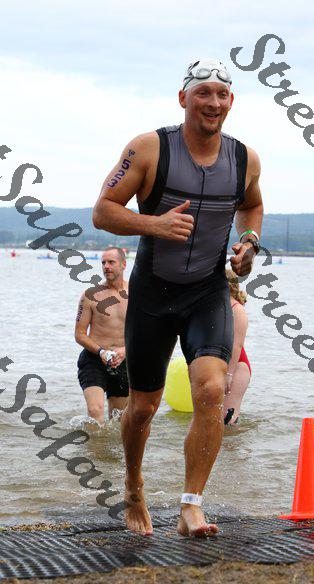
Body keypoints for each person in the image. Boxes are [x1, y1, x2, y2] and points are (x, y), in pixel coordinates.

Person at [93, 58, 264, 537]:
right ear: (183, 98)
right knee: (142, 407)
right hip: (153, 292)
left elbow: (252, 205)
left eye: (222, 94)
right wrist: (155, 224)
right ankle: (134, 486)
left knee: (210, 389)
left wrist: (250, 244)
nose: (213, 102)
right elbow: (102, 211)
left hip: (207, 291)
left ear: (231, 102)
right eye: (203, 92)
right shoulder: (150, 148)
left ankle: (191, 507)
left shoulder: (245, 159)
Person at [75, 247, 129, 425]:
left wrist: (125, 351)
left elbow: (146, 332)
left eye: (111, 262)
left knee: (118, 419)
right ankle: (93, 444)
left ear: (123, 264)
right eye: (103, 263)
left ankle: (110, 445)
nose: (106, 266)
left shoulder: (137, 294)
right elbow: (79, 334)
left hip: (123, 361)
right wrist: (101, 352)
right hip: (94, 359)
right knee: (95, 411)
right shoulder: (90, 295)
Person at [223, 269, 251, 426]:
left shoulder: (237, 310)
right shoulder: (214, 307)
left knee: (227, 421)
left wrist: (229, 374)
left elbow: (237, 345)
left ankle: (236, 442)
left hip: (237, 367)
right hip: (220, 365)